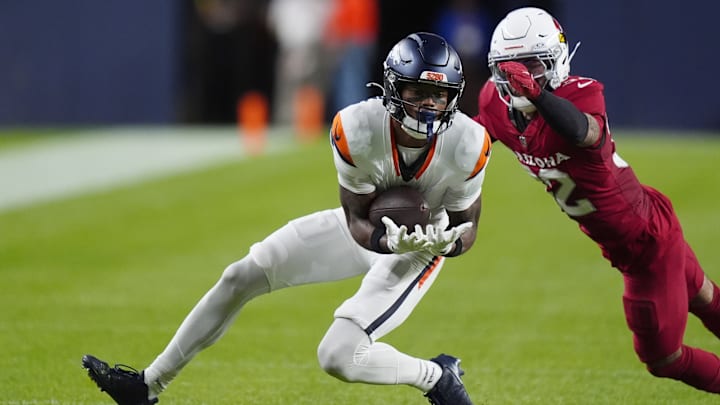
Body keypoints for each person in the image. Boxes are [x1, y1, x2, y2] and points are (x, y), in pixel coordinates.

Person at [82, 32, 492, 405]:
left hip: (421, 247)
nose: (429, 106)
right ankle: (147, 386)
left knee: (338, 355)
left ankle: (437, 377)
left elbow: (467, 222)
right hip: (370, 228)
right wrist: (385, 241)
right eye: (418, 92)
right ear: (392, 87)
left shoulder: (468, 142)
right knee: (241, 275)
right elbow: (356, 218)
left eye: (439, 96)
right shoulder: (356, 128)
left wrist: (448, 243)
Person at [475, 7, 720, 393]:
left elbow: (582, 132)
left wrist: (536, 93)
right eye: (510, 69)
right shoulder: (494, 103)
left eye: (532, 67)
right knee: (704, 296)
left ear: (555, 61)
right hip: (637, 226)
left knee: (663, 360)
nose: (519, 78)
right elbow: (472, 143)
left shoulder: (581, 94)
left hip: (646, 244)